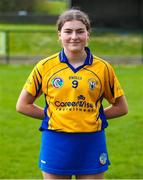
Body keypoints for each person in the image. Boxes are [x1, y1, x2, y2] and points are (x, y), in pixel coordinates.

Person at [16, 9, 128, 179]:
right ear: (59, 35)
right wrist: (55, 116)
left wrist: (91, 116)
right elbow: (22, 105)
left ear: (88, 35)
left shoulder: (103, 68)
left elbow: (121, 107)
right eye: (68, 31)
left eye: (80, 31)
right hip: (56, 141)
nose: (74, 36)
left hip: (91, 141)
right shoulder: (45, 67)